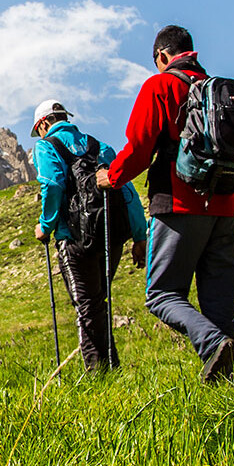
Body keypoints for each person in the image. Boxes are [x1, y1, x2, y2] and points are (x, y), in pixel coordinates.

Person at [97, 25, 234, 382]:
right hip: (224, 205)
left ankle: (211, 344)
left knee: (161, 294)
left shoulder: (160, 85)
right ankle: (225, 387)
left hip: (178, 204)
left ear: (162, 56)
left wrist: (111, 177)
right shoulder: (216, 89)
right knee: (218, 304)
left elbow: (140, 147)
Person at [31, 98, 147, 370]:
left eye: (38, 129)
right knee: (98, 302)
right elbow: (126, 190)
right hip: (110, 235)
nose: (39, 134)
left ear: (43, 123)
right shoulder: (100, 147)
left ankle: (97, 374)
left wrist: (45, 226)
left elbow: (52, 185)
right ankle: (111, 367)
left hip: (73, 238)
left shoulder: (46, 146)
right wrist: (140, 236)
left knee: (86, 305)